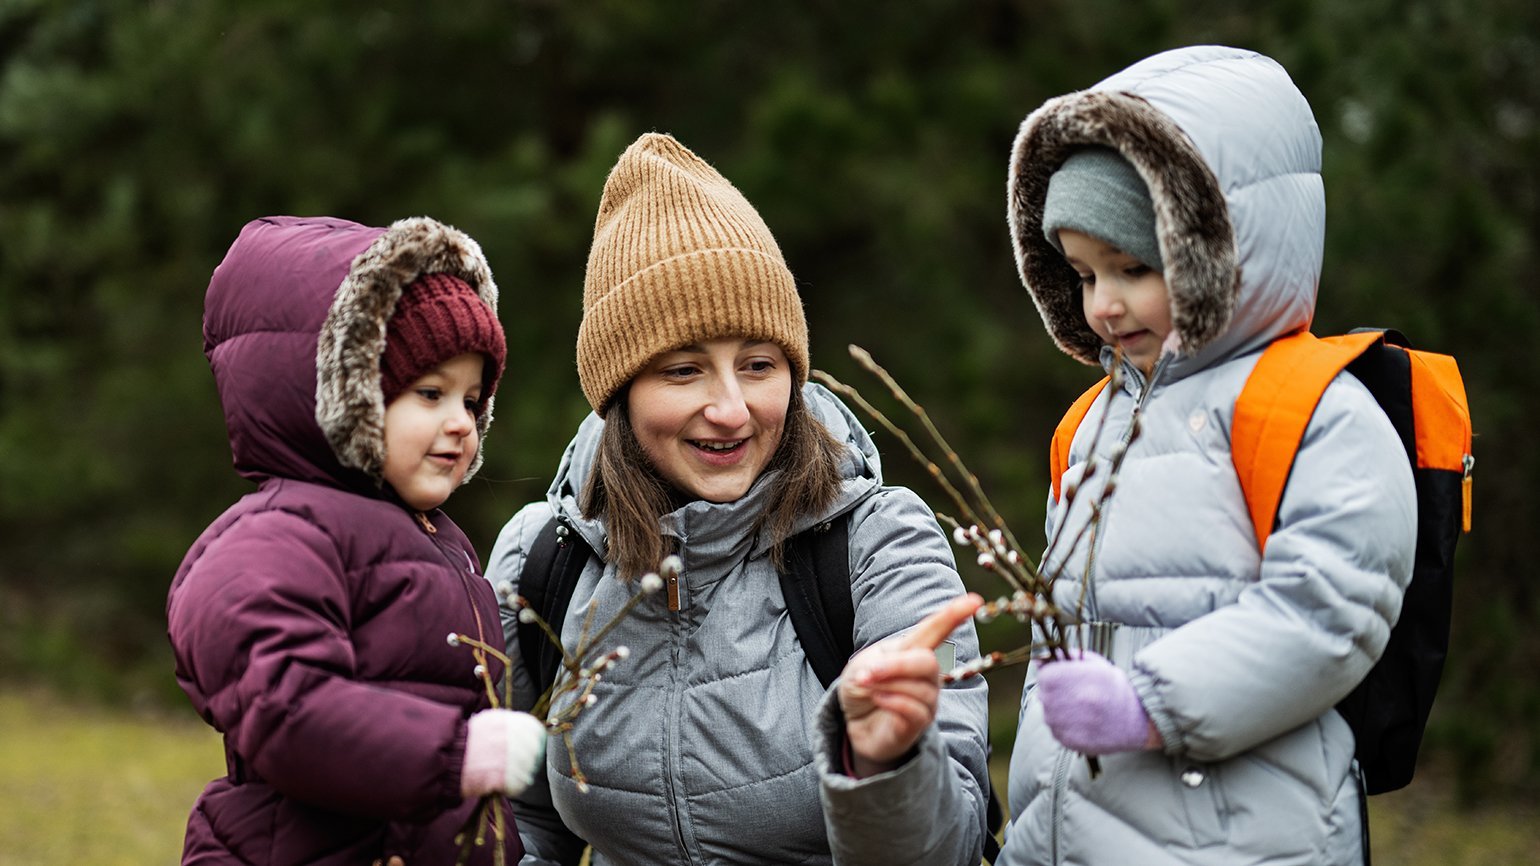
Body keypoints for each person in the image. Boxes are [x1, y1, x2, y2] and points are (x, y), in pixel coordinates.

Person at [827, 45, 1418, 865]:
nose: (1104, 305)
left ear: (1218, 249)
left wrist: (1147, 701)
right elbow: (1059, 647)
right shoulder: (1089, 427)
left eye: (1134, 268)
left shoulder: (1311, 408)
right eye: (1080, 273)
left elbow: (1329, 611)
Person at [485, 133, 991, 866]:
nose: (731, 409)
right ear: (619, 394)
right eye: (684, 371)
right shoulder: (546, 560)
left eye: (758, 365)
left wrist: (881, 765)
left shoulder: (878, 543)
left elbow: (951, 848)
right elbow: (523, 822)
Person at [167, 215, 548, 866]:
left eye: (473, 398)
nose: (462, 424)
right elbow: (284, 704)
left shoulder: (440, 542)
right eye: (429, 393)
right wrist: (455, 753)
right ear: (347, 396)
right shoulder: (273, 538)